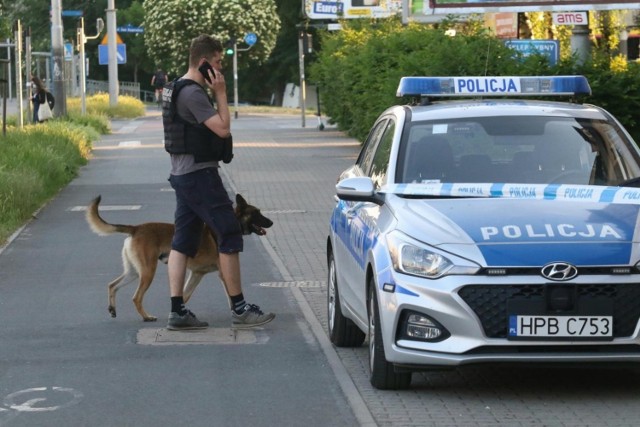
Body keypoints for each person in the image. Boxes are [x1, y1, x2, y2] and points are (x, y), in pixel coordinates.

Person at [162, 34, 275, 330]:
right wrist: (222, 93)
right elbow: (223, 129)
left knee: (183, 241)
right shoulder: (193, 94)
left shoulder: (175, 88)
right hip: (199, 176)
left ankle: (177, 311)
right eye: (217, 61)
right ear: (203, 63)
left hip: (182, 174)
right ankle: (240, 309)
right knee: (229, 232)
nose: (220, 67)